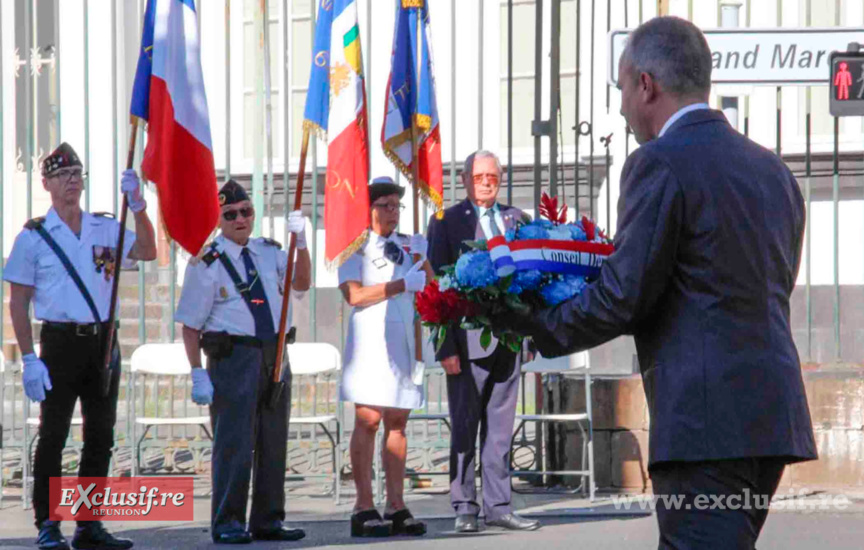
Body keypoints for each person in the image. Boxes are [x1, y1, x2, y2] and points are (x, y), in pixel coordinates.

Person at [504, 17, 818, 549]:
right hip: (771, 417)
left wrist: (532, 324)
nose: (623, 106)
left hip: (704, 425)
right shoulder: (773, 171)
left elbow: (624, 295)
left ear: (646, 84)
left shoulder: (658, 163)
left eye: (623, 88)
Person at [4, 142, 157, 550]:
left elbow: (147, 250)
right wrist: (30, 359)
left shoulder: (104, 228)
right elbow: (17, 301)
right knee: (53, 436)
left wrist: (139, 205)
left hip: (102, 341)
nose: (72, 181)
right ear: (46, 183)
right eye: (62, 175)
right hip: (59, 343)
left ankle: (89, 524)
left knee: (100, 436)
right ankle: (48, 523)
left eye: (77, 174)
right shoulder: (34, 237)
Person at [175, 180, 312, 545]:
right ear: (219, 219)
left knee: (273, 440)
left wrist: (304, 242)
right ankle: (227, 521)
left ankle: (268, 519)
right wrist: (196, 372)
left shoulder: (269, 252)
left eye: (246, 212)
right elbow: (189, 326)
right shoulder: (207, 262)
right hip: (234, 357)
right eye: (230, 214)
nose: (240, 219)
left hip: (275, 354)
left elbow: (302, 282)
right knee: (234, 444)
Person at [426, 151, 540, 533]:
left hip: (508, 341)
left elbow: (533, 282)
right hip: (466, 343)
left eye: (493, 176)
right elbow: (436, 287)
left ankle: (499, 505)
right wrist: (445, 348)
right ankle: (464, 507)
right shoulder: (445, 222)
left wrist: (531, 335)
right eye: (480, 177)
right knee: (465, 426)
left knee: (501, 429)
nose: (487, 182)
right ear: (465, 180)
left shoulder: (518, 220)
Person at [338, 176, 434, 538]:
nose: (393, 212)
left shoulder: (409, 245)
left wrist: (424, 260)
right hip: (369, 342)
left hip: (402, 341)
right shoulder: (354, 248)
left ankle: (396, 504)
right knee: (368, 420)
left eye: (397, 205)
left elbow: (431, 286)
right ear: (369, 208)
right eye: (385, 206)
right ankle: (363, 504)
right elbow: (356, 296)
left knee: (397, 421)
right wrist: (398, 285)